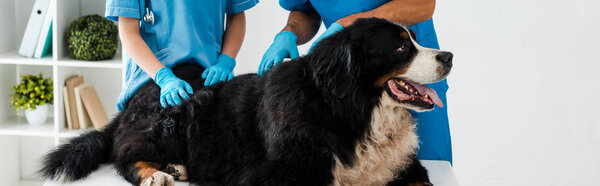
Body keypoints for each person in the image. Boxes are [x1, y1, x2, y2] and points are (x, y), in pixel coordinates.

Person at [259, 0, 452, 163]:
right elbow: (305, 10)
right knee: (363, 171)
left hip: (413, 74)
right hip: (357, 90)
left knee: (428, 169)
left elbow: (423, 4)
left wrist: (350, 23)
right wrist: (290, 32)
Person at [105, 0, 258, 111]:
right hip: (154, 75)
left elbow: (236, 15)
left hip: (210, 73)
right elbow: (128, 31)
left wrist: (226, 61)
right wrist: (163, 77)